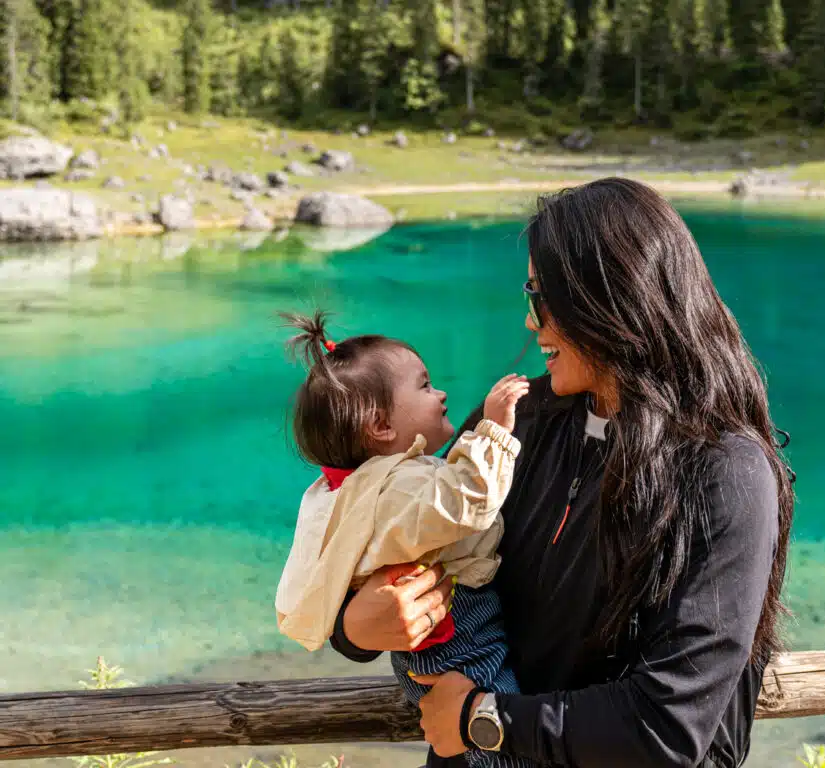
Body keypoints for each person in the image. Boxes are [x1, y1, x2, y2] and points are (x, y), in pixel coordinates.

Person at [327, 177, 795, 768]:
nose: (530, 322)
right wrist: (357, 628)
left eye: (540, 296)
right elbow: (404, 543)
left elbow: (672, 727)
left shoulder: (724, 473)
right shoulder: (515, 421)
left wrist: (483, 719)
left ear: (606, 300)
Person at [273, 310, 535, 768]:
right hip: (461, 639)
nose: (442, 393)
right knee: (502, 754)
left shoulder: (353, 488)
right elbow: (469, 502)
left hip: (432, 648)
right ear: (381, 427)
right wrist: (494, 431)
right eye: (425, 386)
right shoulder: (397, 486)